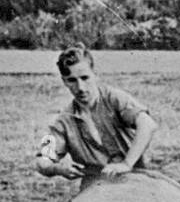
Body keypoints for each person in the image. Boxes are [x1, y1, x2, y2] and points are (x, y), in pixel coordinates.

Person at [35, 44, 158, 186]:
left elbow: (148, 124)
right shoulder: (63, 122)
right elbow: (41, 160)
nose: (80, 87)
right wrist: (57, 168)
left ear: (94, 74)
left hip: (135, 178)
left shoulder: (114, 98)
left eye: (85, 77)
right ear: (64, 81)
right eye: (72, 80)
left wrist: (126, 164)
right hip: (96, 188)